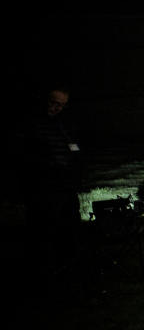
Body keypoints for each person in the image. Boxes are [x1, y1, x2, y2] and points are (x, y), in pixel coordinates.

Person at [15, 87, 83, 288]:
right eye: (53, 103)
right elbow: (25, 157)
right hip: (43, 191)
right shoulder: (31, 124)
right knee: (43, 234)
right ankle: (43, 278)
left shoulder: (63, 125)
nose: (56, 108)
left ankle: (67, 275)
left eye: (60, 105)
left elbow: (75, 151)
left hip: (65, 188)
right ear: (46, 100)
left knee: (69, 229)